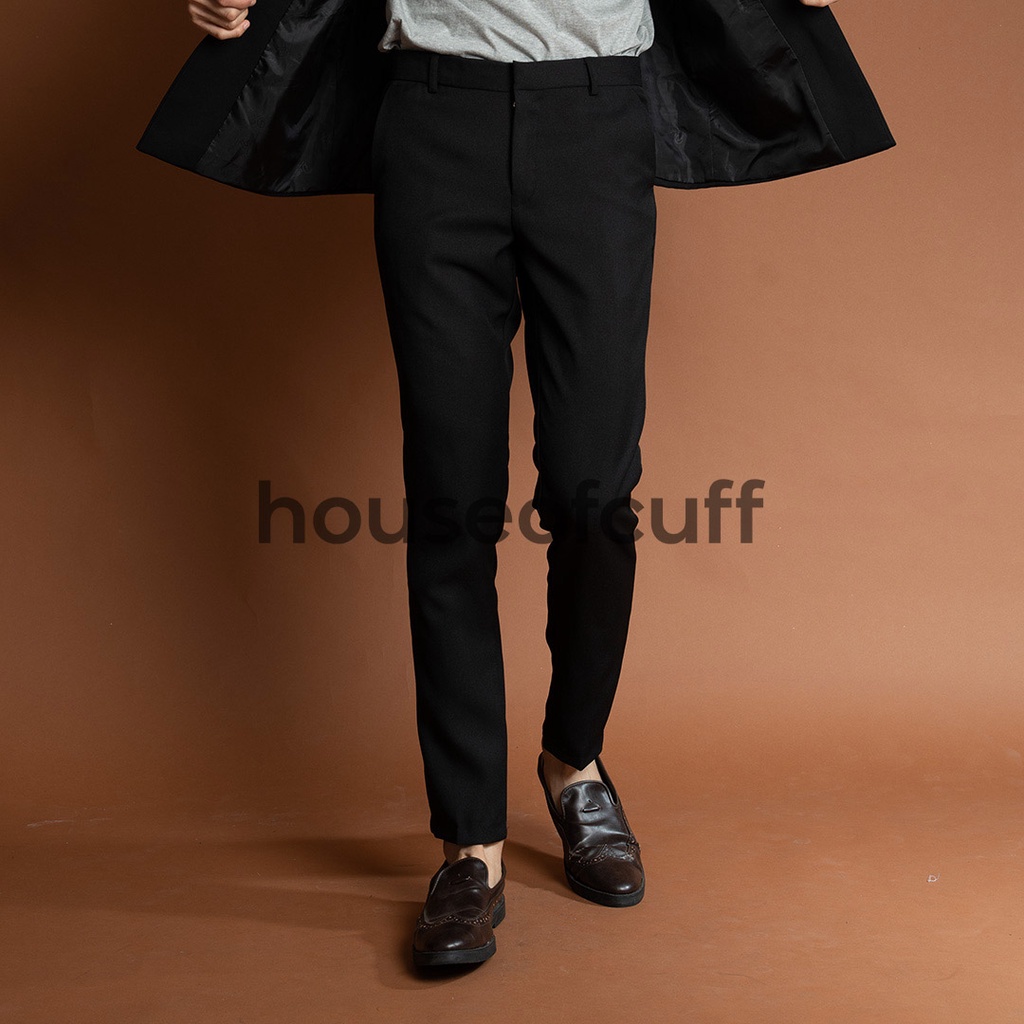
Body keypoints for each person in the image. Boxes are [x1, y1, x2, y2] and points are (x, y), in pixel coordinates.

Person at [148, 0, 894, 969]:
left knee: (593, 490)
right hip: (434, 119)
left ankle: (572, 761)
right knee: (449, 498)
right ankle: (470, 846)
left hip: (594, 121)